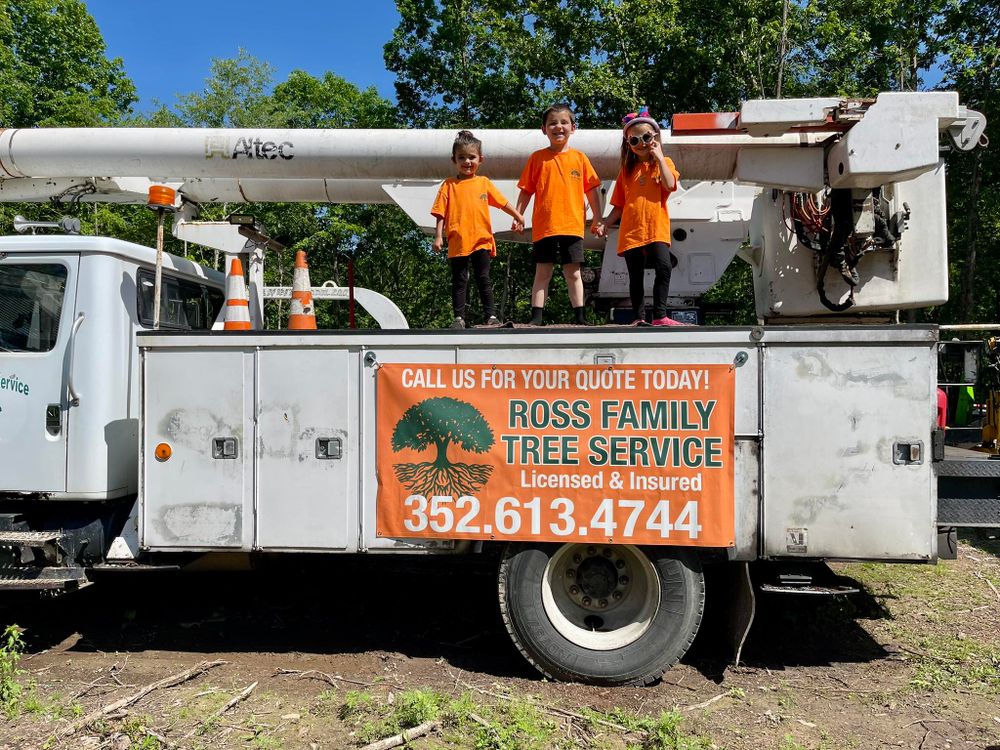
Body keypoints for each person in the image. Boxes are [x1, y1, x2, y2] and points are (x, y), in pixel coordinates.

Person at [514, 104, 602, 326]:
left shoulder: (580, 158)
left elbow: (591, 190)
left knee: (573, 273)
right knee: (543, 272)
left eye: (564, 122)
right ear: (544, 129)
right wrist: (518, 215)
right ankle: (536, 318)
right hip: (545, 226)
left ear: (573, 128)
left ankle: (580, 317)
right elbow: (526, 190)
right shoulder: (537, 158)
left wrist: (598, 218)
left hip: (572, 226)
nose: (558, 126)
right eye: (552, 122)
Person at [595, 107, 683, 326]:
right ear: (628, 145)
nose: (641, 143)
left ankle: (660, 316)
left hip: (656, 228)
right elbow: (618, 205)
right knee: (635, 276)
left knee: (663, 266)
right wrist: (605, 223)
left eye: (646, 137)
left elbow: (670, 184)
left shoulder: (664, 163)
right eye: (634, 140)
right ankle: (639, 317)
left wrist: (660, 156)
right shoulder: (626, 171)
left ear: (655, 138)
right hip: (631, 230)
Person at [432, 130, 525, 329]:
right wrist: (438, 236)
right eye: (462, 158)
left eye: (472, 157)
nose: (467, 161)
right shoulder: (449, 185)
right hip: (458, 240)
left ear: (480, 159)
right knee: (460, 279)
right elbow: (440, 212)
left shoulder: (483, 182)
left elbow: (502, 202)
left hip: (481, 238)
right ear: (454, 160)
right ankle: (458, 318)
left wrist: (517, 215)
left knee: (483, 277)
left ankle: (490, 316)